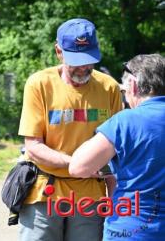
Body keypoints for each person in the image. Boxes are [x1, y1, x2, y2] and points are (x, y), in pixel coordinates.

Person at [17, 18, 122, 240]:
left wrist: (114, 201)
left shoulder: (109, 88)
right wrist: (76, 164)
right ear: (59, 52)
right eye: (77, 60)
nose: (84, 67)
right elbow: (33, 146)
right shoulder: (39, 84)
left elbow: (115, 151)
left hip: (91, 197)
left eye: (89, 60)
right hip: (45, 192)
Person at [70, 54, 165, 240]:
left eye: (124, 91)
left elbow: (78, 166)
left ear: (134, 85)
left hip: (132, 229)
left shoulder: (126, 121)